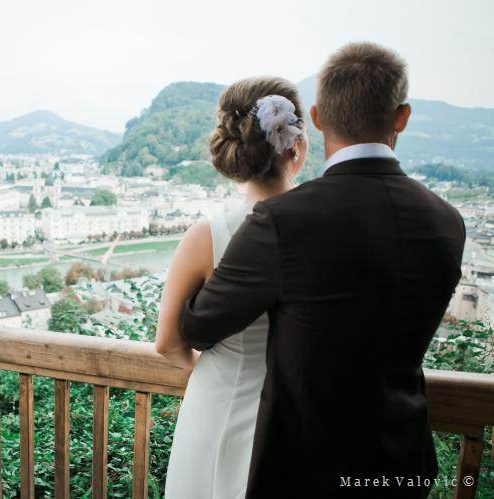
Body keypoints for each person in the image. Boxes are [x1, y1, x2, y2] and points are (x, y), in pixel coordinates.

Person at [180, 42, 465, 498]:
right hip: (400, 462)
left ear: (315, 117)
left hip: (304, 465)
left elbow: (197, 325)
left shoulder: (283, 220)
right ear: (402, 117)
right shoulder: (447, 221)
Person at [156, 76, 308, 498]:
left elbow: (168, 343)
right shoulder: (324, 229)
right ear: (296, 144)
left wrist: (219, 370)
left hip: (216, 406)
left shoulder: (207, 235)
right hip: (299, 420)